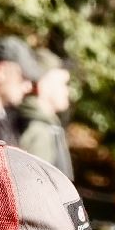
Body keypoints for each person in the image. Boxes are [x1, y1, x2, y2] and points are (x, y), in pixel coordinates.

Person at [17, 49, 74, 179]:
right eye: (63, 84)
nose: (67, 91)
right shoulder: (37, 130)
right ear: (43, 85)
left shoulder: (47, 125)